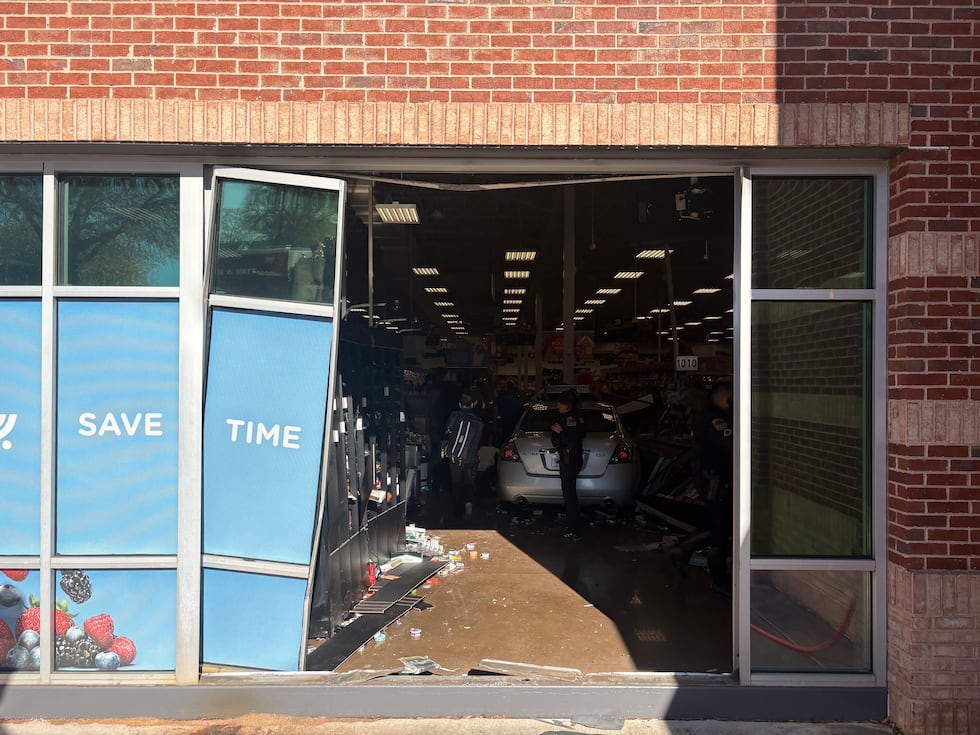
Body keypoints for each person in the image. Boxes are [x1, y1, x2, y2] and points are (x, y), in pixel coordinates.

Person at [669, 381, 733, 593]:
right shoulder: (713, 418)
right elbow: (730, 441)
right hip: (714, 478)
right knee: (720, 528)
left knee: (721, 526)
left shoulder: (715, 414)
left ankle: (683, 549)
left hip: (717, 476)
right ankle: (717, 578)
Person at [551, 388, 586, 541]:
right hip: (570, 458)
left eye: (561, 403)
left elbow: (572, 440)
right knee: (569, 494)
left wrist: (560, 432)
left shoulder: (570, 419)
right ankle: (572, 525)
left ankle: (573, 529)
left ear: (567, 404)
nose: (558, 405)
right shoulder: (574, 417)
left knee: (569, 495)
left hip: (569, 458)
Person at [444, 393, 482, 521]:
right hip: (471, 457)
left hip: (455, 457)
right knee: (469, 482)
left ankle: (456, 510)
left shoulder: (455, 416)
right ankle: (469, 503)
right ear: (472, 404)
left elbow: (448, 431)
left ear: (460, 404)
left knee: (456, 483)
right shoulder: (478, 421)